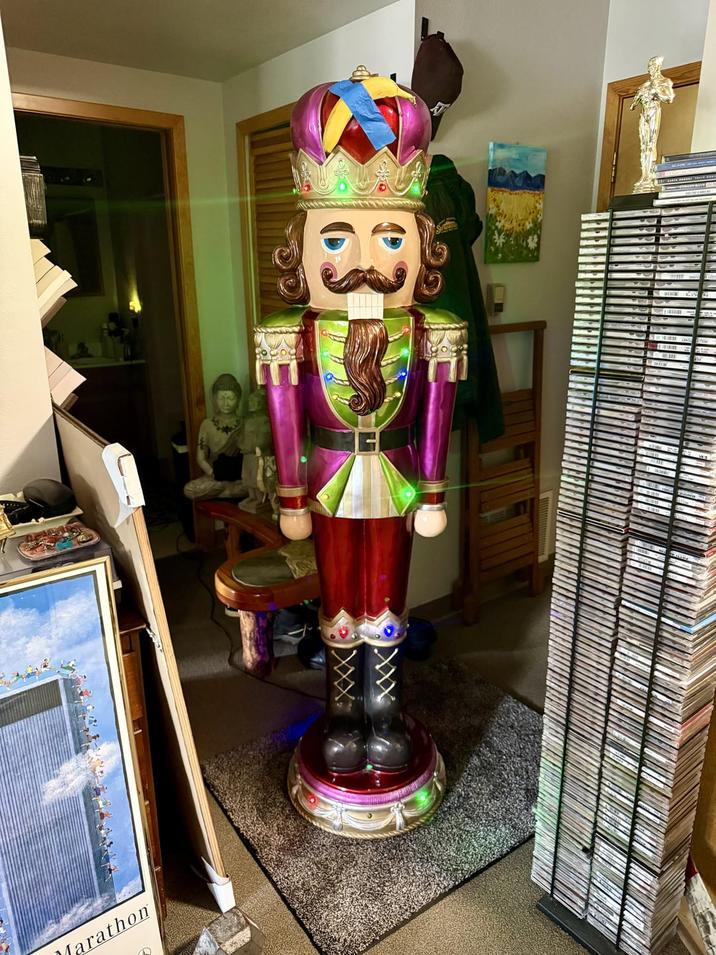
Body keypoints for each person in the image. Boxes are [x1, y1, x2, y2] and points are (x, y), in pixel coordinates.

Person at [254, 66, 467, 777]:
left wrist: (433, 493)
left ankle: (385, 708)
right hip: (325, 477)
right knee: (339, 591)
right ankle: (344, 710)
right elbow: (286, 418)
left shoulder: (433, 329)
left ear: (422, 245)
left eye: (392, 240)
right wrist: (290, 499)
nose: (368, 262)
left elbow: (437, 413)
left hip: (399, 476)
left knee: (388, 591)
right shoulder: (291, 334)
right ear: (303, 247)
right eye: (339, 240)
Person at [183, 373, 246, 500]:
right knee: (189, 490)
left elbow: (250, 456)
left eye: (230, 398)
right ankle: (228, 490)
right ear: (215, 399)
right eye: (221, 398)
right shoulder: (207, 424)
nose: (226, 403)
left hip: (238, 476)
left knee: (253, 485)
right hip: (215, 476)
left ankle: (225, 490)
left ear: (238, 399)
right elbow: (201, 458)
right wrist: (213, 473)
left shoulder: (244, 424)